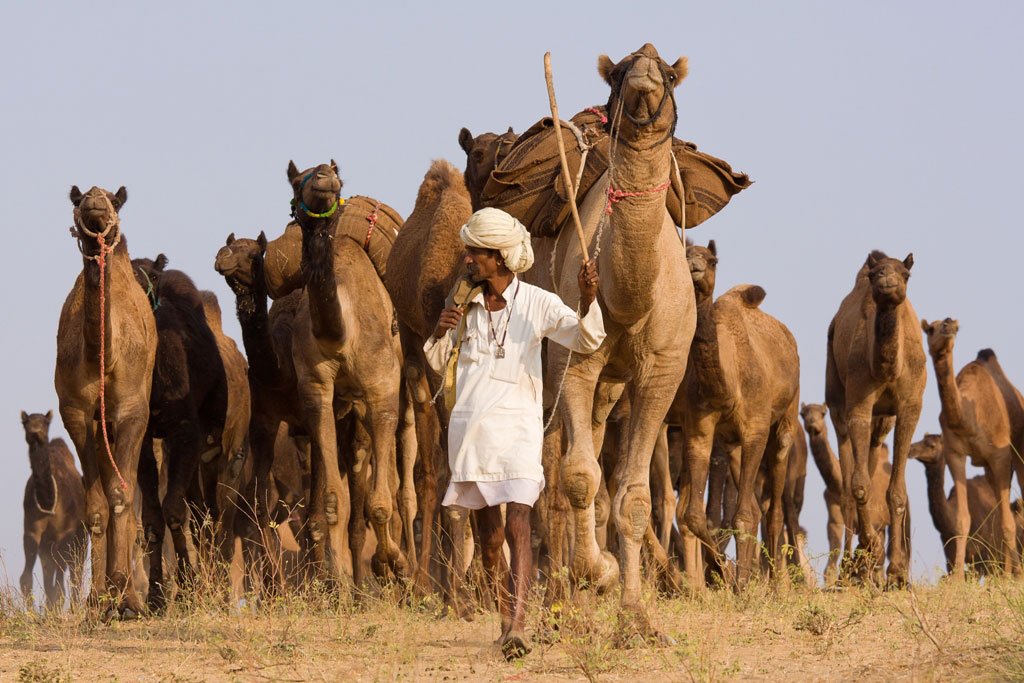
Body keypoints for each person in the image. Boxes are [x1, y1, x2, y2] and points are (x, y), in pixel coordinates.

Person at [424, 207, 605, 660]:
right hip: (472, 432)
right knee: (489, 539)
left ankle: (518, 625)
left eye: (476, 252)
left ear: (500, 257)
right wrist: (442, 328)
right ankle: (506, 616)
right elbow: (435, 362)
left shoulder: (538, 303)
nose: (468, 259)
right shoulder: (461, 303)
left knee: (520, 523)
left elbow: (585, 339)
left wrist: (587, 299)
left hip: (520, 429)